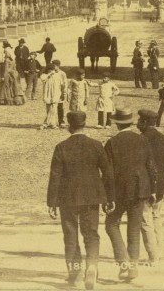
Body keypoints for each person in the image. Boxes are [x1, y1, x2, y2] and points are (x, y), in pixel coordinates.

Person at [47, 110, 115, 289]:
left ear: (70, 126)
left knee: (70, 235)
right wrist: (109, 197)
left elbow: (55, 177)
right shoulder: (96, 145)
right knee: (91, 234)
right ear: (84, 124)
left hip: (67, 198)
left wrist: (51, 202)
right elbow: (107, 173)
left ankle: (75, 273)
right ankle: (91, 267)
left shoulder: (61, 147)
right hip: (92, 197)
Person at [103, 107, 157, 283]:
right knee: (134, 229)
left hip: (119, 191)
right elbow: (150, 166)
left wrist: (108, 197)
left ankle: (123, 262)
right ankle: (133, 266)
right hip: (140, 190)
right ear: (131, 122)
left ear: (117, 123)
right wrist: (153, 190)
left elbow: (108, 173)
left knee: (111, 223)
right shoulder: (142, 140)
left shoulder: (112, 143)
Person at [137, 109, 164, 267]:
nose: (138, 123)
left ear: (145, 123)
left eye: (140, 121)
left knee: (145, 220)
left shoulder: (140, 140)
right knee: (156, 217)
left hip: (146, 187)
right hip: (162, 186)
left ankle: (152, 256)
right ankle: (158, 250)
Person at [40, 59, 68, 129]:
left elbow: (63, 84)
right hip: (48, 95)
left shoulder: (59, 74)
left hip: (56, 94)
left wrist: (63, 93)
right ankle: (51, 123)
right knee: (49, 109)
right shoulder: (45, 75)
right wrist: (49, 74)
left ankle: (47, 124)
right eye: (51, 69)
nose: (53, 70)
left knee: (55, 109)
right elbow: (42, 78)